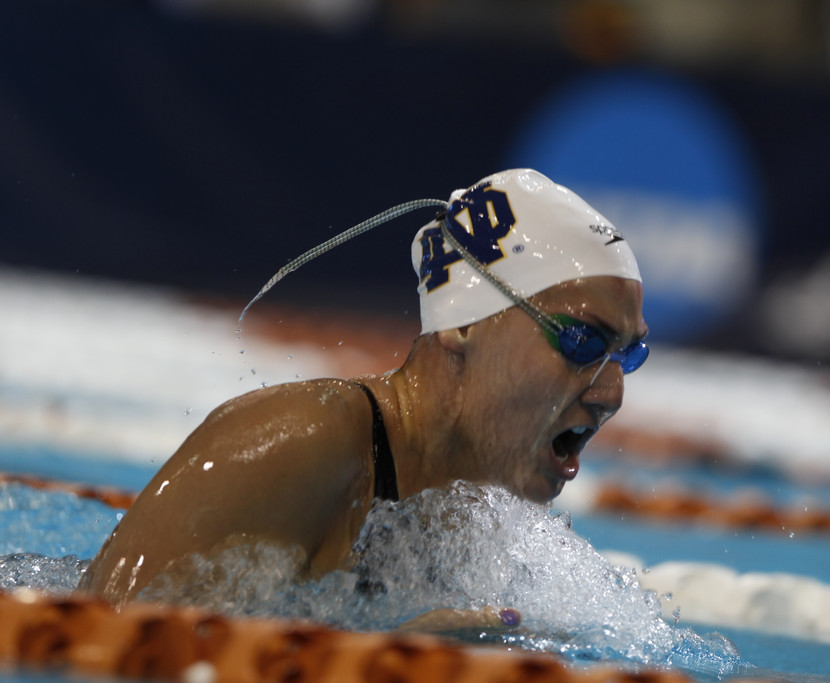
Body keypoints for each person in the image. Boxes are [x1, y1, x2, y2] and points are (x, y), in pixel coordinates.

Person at [78, 169, 649, 628]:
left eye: (628, 354)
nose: (612, 393)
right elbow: (97, 644)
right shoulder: (303, 442)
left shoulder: (471, 519)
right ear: (464, 325)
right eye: (581, 340)